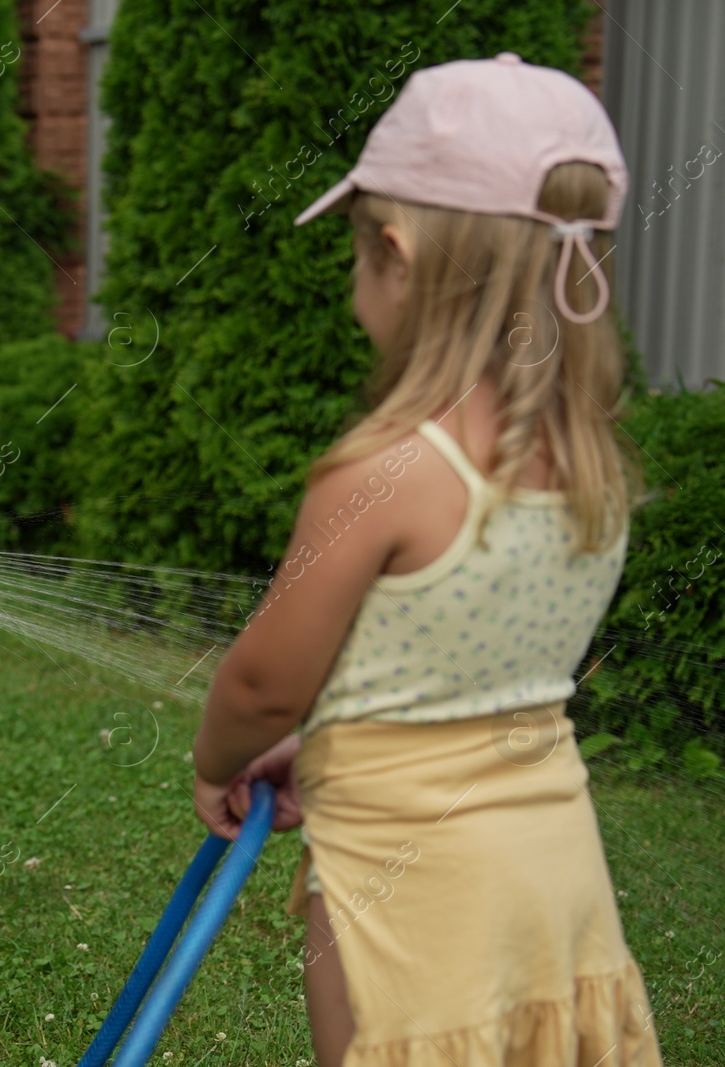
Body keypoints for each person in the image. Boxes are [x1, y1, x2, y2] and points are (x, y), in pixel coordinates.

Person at [190, 54, 662, 1066]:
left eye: (358, 256)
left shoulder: (386, 471)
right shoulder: (593, 466)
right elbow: (456, 672)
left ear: (396, 255)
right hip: (555, 871)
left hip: (403, 881)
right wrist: (328, 736)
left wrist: (219, 756)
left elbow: (268, 682)